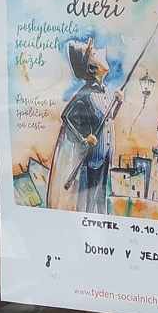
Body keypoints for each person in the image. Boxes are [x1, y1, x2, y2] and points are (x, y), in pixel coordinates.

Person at [46, 38, 115, 213]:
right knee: (89, 201)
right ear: (92, 68)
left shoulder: (106, 92)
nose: (100, 51)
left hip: (105, 156)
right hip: (92, 160)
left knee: (101, 197)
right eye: (94, 53)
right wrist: (84, 138)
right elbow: (67, 116)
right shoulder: (85, 94)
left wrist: (118, 102)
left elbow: (109, 117)